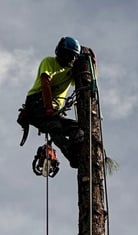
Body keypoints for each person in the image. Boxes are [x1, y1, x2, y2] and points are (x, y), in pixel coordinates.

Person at [19, 36, 84, 167]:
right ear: (59, 53)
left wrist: (92, 63)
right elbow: (45, 84)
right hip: (37, 103)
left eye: (72, 56)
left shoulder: (70, 71)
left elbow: (85, 78)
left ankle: (77, 150)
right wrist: (48, 108)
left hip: (52, 110)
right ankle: (72, 155)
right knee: (55, 127)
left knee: (77, 129)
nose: (69, 59)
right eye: (66, 55)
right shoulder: (49, 62)